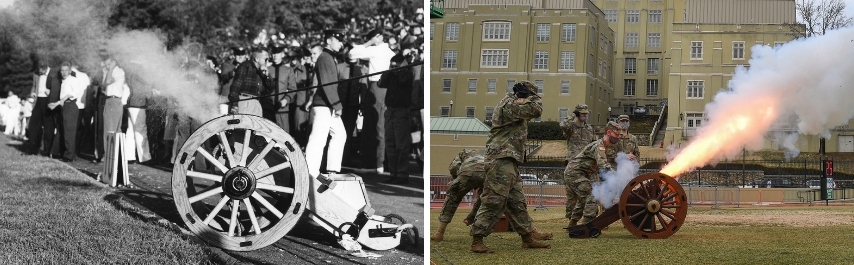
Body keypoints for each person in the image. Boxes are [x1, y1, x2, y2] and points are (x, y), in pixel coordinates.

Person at [469, 80, 549, 253]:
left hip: (508, 160)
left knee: (517, 202)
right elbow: (536, 110)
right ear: (523, 96)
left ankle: (528, 238)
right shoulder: (508, 106)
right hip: (500, 159)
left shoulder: (514, 105)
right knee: (494, 200)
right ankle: (477, 240)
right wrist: (533, 98)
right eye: (530, 97)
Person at [431, 149, 552, 242]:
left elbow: (454, 168)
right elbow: (482, 199)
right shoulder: (487, 154)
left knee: (452, 198)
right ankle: (531, 232)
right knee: (508, 202)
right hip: (490, 172)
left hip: (467, 172)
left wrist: (456, 180)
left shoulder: (464, 154)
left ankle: (439, 233)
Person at [349, 28, 395, 173]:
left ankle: (377, 163)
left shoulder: (377, 50)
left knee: (377, 126)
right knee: (377, 125)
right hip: (378, 87)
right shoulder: (388, 51)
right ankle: (377, 162)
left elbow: (352, 53)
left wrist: (369, 42)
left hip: (378, 86)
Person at [304, 29, 347, 179]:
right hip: (323, 105)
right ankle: (309, 172)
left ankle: (332, 171)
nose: (341, 44)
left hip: (328, 105)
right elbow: (328, 85)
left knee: (340, 134)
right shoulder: (325, 57)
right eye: (339, 40)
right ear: (329, 41)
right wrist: (337, 105)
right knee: (318, 139)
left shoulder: (329, 57)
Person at [565, 121, 622, 227]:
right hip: (574, 173)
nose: (618, 137)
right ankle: (587, 225)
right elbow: (603, 165)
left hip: (585, 173)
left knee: (584, 198)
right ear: (609, 132)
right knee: (593, 194)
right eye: (616, 134)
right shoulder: (599, 146)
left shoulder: (604, 146)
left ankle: (572, 224)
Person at [378, 51, 413, 184]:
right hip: (390, 111)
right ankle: (393, 173)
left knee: (401, 144)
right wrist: (390, 70)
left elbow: (403, 80)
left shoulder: (407, 74)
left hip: (401, 111)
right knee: (390, 143)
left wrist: (401, 69)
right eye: (391, 66)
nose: (393, 68)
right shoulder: (390, 75)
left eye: (395, 66)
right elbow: (381, 83)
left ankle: (402, 174)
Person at [338, 48, 368, 165]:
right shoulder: (339, 68)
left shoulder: (361, 70)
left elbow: (363, 89)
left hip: (352, 105)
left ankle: (346, 158)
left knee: (349, 132)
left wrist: (362, 105)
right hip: (339, 105)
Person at [27, 61, 62, 157]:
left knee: (49, 127)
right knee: (33, 125)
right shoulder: (36, 74)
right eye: (39, 71)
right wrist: (33, 92)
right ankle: (32, 150)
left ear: (46, 68)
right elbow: (34, 86)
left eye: (42, 71)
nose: (40, 73)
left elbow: (58, 87)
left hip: (49, 101)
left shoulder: (54, 73)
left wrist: (51, 92)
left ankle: (47, 151)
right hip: (38, 101)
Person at [228, 47, 271, 116]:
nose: (267, 62)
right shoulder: (245, 66)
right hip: (244, 102)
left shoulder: (263, 70)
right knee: (243, 126)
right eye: (265, 59)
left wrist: (267, 76)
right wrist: (234, 105)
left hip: (257, 103)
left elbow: (270, 91)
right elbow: (235, 87)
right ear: (257, 59)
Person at [266, 45, 298, 133]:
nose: (275, 55)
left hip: (282, 109)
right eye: (273, 53)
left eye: (278, 53)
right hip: (268, 109)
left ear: (282, 54)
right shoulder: (267, 69)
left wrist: (285, 100)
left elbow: (293, 89)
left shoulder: (288, 70)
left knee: (283, 135)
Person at [102, 55, 128, 160]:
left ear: (114, 63)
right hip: (109, 100)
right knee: (112, 129)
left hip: (114, 100)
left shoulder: (119, 71)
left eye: (109, 64)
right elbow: (103, 86)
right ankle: (113, 155)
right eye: (107, 64)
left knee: (111, 129)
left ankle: (109, 155)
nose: (107, 66)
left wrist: (111, 69)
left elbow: (108, 82)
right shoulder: (107, 71)